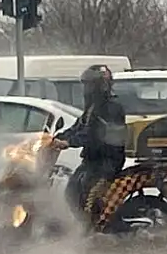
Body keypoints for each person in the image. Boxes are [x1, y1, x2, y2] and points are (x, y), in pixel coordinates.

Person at [51, 65, 128, 226]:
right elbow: (78, 127)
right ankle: (85, 225)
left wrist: (69, 143)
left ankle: (99, 226)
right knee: (71, 192)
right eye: (85, 85)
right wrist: (55, 138)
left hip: (107, 161)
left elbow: (95, 135)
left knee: (89, 193)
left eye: (89, 85)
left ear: (101, 85)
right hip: (92, 160)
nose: (86, 89)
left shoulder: (111, 108)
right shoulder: (92, 107)